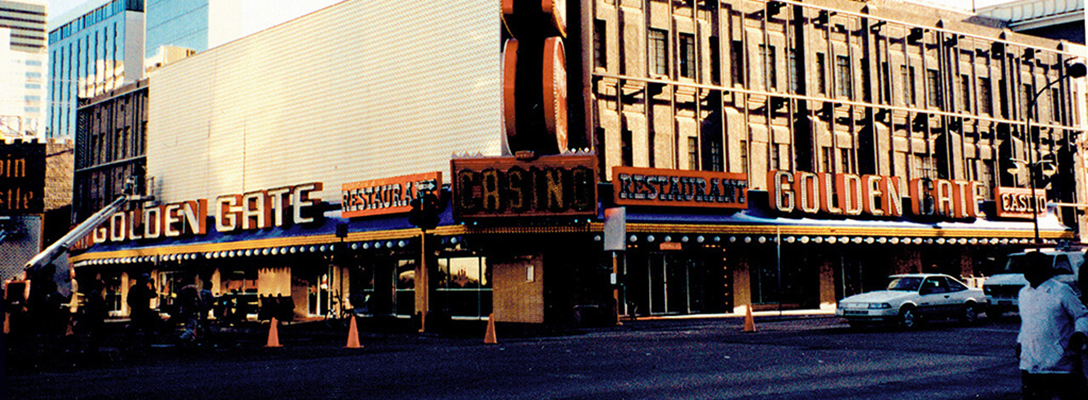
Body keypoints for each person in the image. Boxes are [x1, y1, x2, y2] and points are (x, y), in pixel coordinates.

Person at [1017, 251, 1088, 400]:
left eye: (1031, 266)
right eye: (1025, 266)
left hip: (1059, 366)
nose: (1027, 270)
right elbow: (1026, 323)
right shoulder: (1023, 293)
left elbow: (1081, 315)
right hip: (1031, 365)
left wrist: (1080, 334)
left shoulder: (1061, 290)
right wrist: (1020, 342)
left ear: (1044, 268)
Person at [126, 274, 158, 345]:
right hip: (143, 312)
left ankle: (129, 343)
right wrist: (152, 285)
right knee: (146, 330)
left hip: (137, 312)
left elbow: (129, 300)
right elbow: (154, 294)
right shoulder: (143, 289)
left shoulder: (134, 288)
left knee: (135, 329)